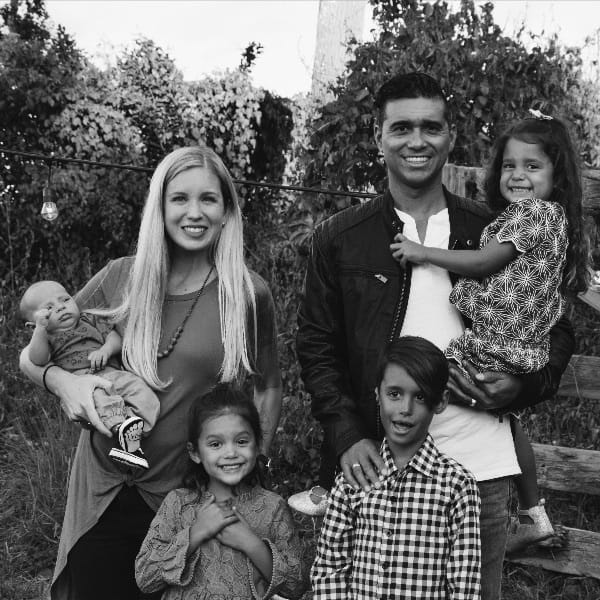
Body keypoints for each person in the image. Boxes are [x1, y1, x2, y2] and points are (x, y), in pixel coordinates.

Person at [296, 72, 575, 600]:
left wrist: (522, 386)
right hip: (380, 467)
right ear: (379, 136)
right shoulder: (341, 238)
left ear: (450, 136)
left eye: (431, 127)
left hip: (480, 470)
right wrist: (347, 434)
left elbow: (555, 325)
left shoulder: (491, 228)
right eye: (401, 127)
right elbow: (316, 346)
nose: (417, 141)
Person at [19, 145, 282, 600]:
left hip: (182, 496)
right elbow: (32, 358)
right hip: (101, 487)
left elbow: (269, 386)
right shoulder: (121, 276)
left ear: (227, 211)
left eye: (208, 199)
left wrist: (248, 465)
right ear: (160, 208)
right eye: (179, 198)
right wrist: (65, 383)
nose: (194, 212)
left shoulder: (246, 293)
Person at [391, 113, 589, 551]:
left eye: (532, 166)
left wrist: (423, 252)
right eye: (509, 165)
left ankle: (389, 482)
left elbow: (483, 263)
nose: (517, 175)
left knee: (419, 384)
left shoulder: (531, 214)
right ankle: (534, 514)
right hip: (521, 345)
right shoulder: (552, 218)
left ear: (556, 176)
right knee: (508, 421)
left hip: (498, 340)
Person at [312, 336, 481, 599]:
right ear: (377, 394)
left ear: (440, 401)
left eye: (420, 397)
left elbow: (464, 585)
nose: (405, 408)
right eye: (394, 394)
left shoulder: (457, 485)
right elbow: (329, 570)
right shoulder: (353, 479)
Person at [135, 383, 307, 599]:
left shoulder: (273, 507)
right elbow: (146, 577)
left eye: (241, 441)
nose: (231, 453)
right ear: (195, 453)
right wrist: (195, 533)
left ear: (257, 446)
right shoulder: (178, 503)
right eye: (216, 444)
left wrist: (251, 544)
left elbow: (296, 586)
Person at [20, 279, 160, 469]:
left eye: (65, 299)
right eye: (49, 308)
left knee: (142, 393)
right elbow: (38, 359)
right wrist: (40, 330)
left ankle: (131, 438)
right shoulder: (47, 337)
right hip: (83, 385)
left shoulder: (90, 319)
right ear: (33, 324)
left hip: (115, 375)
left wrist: (106, 350)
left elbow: (114, 338)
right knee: (102, 402)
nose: (61, 307)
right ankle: (122, 432)